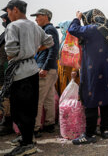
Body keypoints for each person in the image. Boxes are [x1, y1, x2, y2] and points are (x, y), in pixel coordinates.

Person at [1, 0, 54, 156]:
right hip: (32, 69)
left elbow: (10, 52)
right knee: (29, 108)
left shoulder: (13, 26)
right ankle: (27, 138)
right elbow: (49, 42)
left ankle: (27, 144)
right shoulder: (34, 26)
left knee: (19, 110)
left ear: (15, 10)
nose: (8, 15)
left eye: (9, 11)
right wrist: (33, 51)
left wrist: (21, 54)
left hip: (20, 72)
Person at [68, 9, 108, 145]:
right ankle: (105, 130)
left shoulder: (93, 28)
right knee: (106, 98)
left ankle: (89, 134)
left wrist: (77, 18)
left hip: (95, 70)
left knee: (91, 98)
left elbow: (73, 29)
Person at [30, 9, 59, 137]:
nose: (36, 19)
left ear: (46, 17)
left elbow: (53, 50)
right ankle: (49, 124)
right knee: (48, 98)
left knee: (37, 99)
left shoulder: (48, 30)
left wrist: (45, 67)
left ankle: (34, 129)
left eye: (38, 16)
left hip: (46, 69)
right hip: (50, 69)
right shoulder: (48, 29)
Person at [55, 21, 80, 95]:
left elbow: (75, 55)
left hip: (69, 69)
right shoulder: (63, 39)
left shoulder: (72, 40)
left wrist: (74, 70)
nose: (61, 30)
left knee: (68, 90)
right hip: (61, 68)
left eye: (62, 28)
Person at [0, 13, 13, 136]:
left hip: (7, 69)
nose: (3, 21)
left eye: (4, 19)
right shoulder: (6, 33)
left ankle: (7, 124)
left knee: (7, 97)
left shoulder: (12, 32)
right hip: (3, 69)